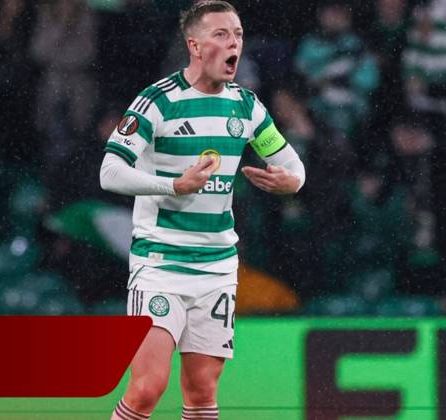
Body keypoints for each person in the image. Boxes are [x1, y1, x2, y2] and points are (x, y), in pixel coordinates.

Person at [98, 2, 305, 419]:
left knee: (202, 391)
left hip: (216, 268)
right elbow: (110, 172)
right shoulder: (157, 101)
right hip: (160, 262)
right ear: (194, 45)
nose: (234, 44)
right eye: (221, 34)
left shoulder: (246, 106)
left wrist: (290, 182)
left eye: (238, 34)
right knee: (147, 387)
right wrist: (173, 185)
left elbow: (293, 167)